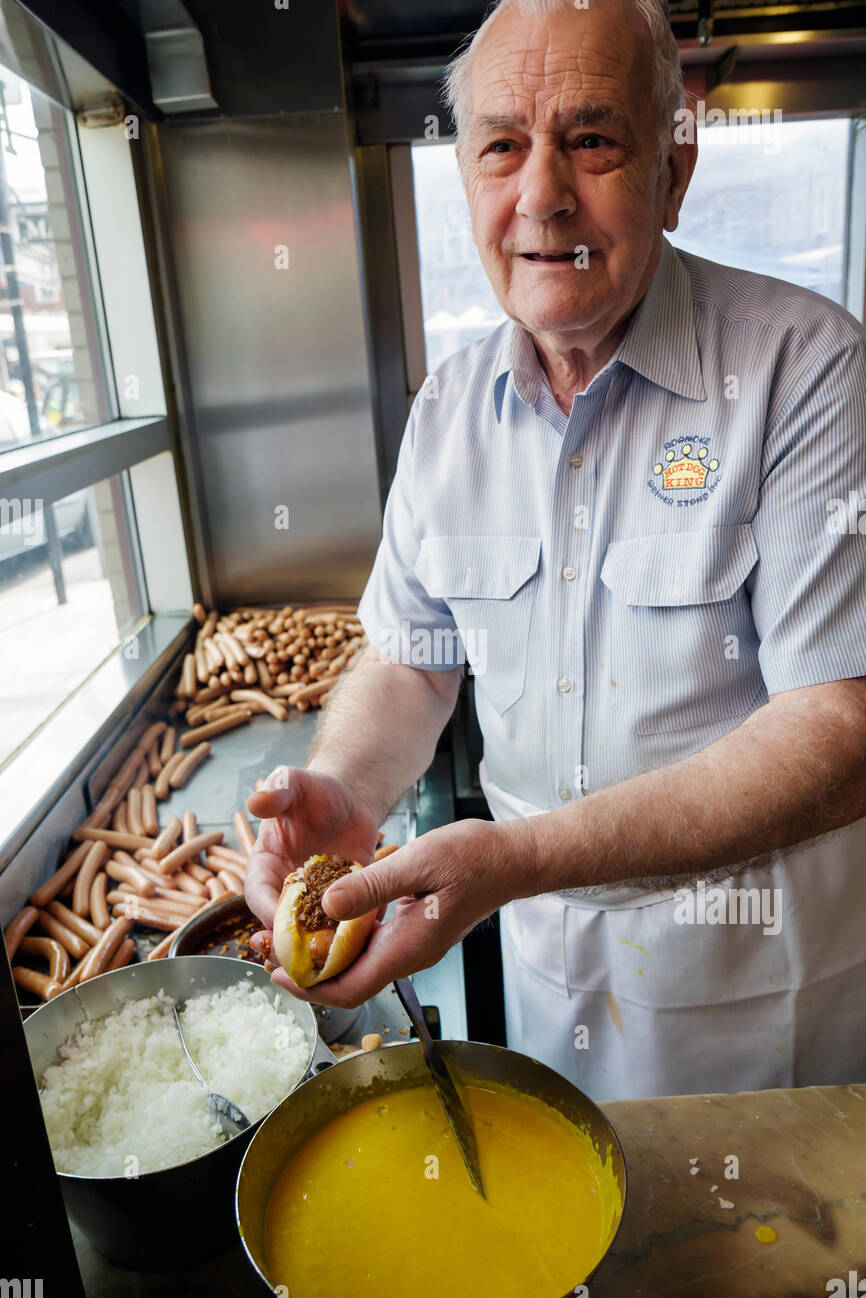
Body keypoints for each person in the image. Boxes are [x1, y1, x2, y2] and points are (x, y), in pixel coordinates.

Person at [246, 0, 866, 1100]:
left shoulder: (802, 369)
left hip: (758, 1013)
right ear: (466, 180)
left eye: (590, 139)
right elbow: (410, 656)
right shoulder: (445, 412)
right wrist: (346, 785)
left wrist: (518, 859)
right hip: (551, 996)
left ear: (672, 168)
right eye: (500, 146)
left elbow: (838, 728)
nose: (540, 195)